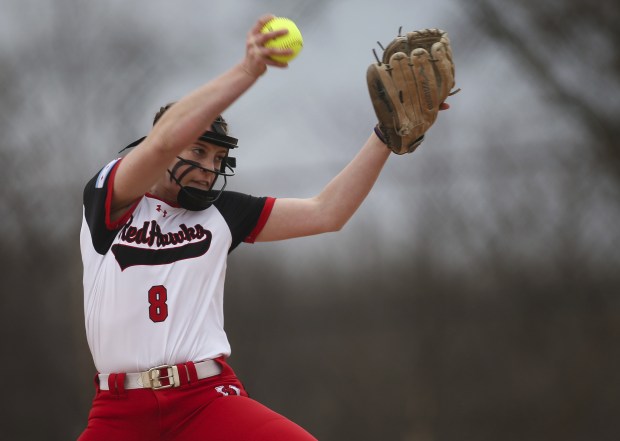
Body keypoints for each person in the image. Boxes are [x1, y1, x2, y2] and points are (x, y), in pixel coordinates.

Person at [78, 13, 448, 441]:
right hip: (120, 414)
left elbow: (327, 212)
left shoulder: (221, 214)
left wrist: (386, 136)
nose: (207, 169)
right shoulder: (112, 196)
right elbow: (162, 142)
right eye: (197, 151)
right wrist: (247, 70)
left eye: (217, 160)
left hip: (204, 400)